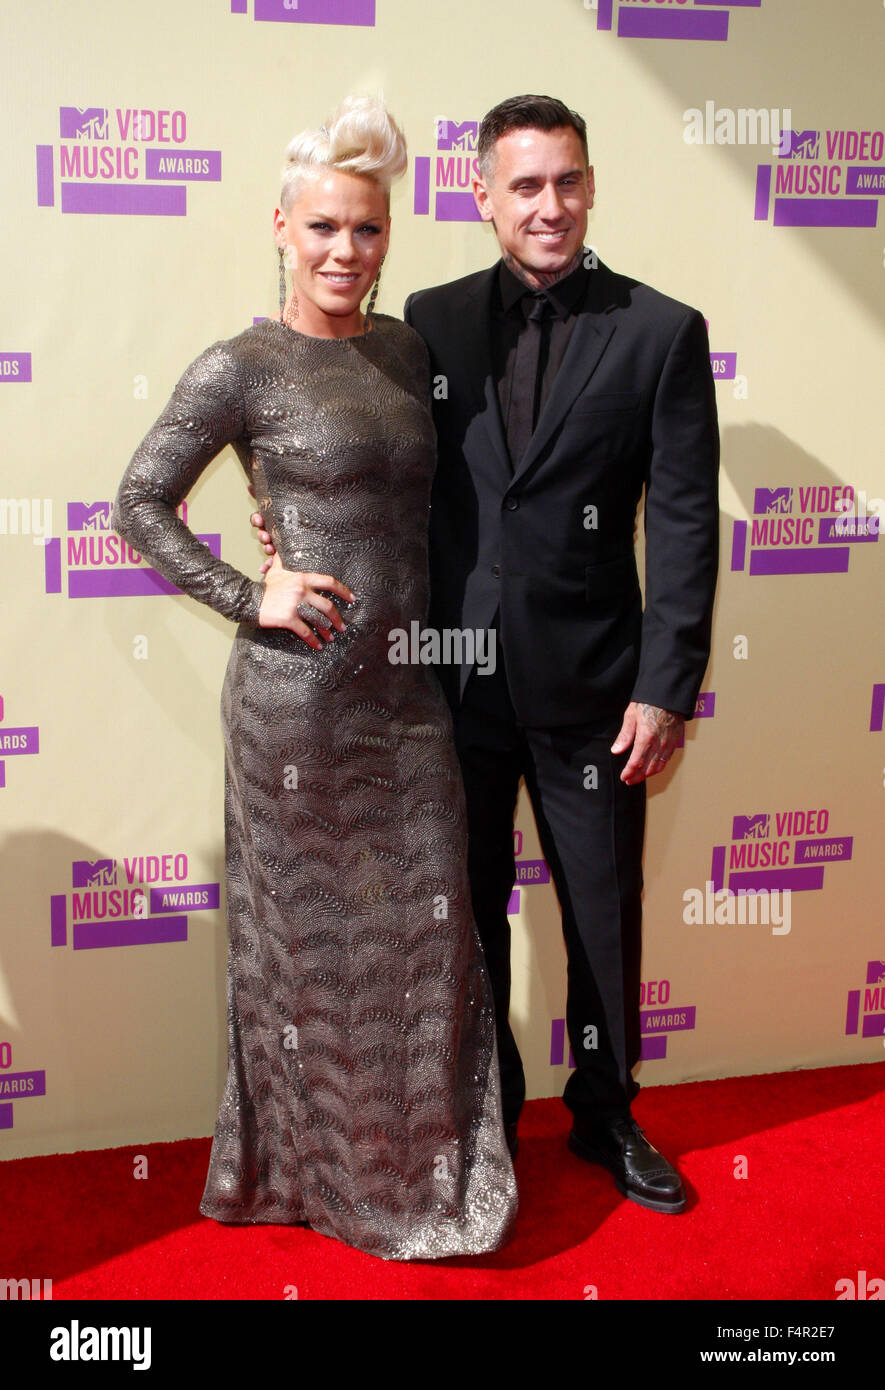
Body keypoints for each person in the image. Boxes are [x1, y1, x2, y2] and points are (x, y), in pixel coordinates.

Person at [255, 94, 720, 1215]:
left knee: (601, 914)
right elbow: (370, 457)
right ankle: (488, 1113)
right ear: (483, 198)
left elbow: (690, 520)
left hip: (598, 694)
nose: (548, 205)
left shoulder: (662, 331)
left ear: (592, 185)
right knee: (462, 914)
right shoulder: (429, 321)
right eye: (524, 185)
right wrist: (286, 536)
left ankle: (606, 1110)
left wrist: (667, 686)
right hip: (444, 688)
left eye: (566, 181)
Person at [112, 94, 517, 1261]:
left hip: (405, 701)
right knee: (309, 951)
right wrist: (254, 591)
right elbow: (136, 502)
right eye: (326, 228)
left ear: (390, 235)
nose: (347, 252)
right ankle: (306, 1176)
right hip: (294, 704)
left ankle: (417, 1173)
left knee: (422, 947)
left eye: (371, 230)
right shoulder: (240, 364)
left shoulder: (405, 352)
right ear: (281, 226)